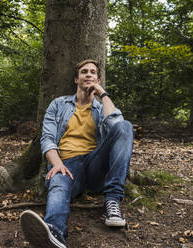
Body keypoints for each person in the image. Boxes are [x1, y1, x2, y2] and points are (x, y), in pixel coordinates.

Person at [20, 59, 134, 248]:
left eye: (92, 72)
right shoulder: (58, 104)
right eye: (83, 72)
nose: (88, 74)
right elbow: (47, 139)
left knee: (125, 126)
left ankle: (112, 201)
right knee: (58, 181)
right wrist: (56, 164)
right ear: (76, 79)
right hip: (67, 164)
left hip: (94, 164)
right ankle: (54, 234)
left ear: (97, 78)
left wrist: (102, 93)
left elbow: (117, 127)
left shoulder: (101, 107)